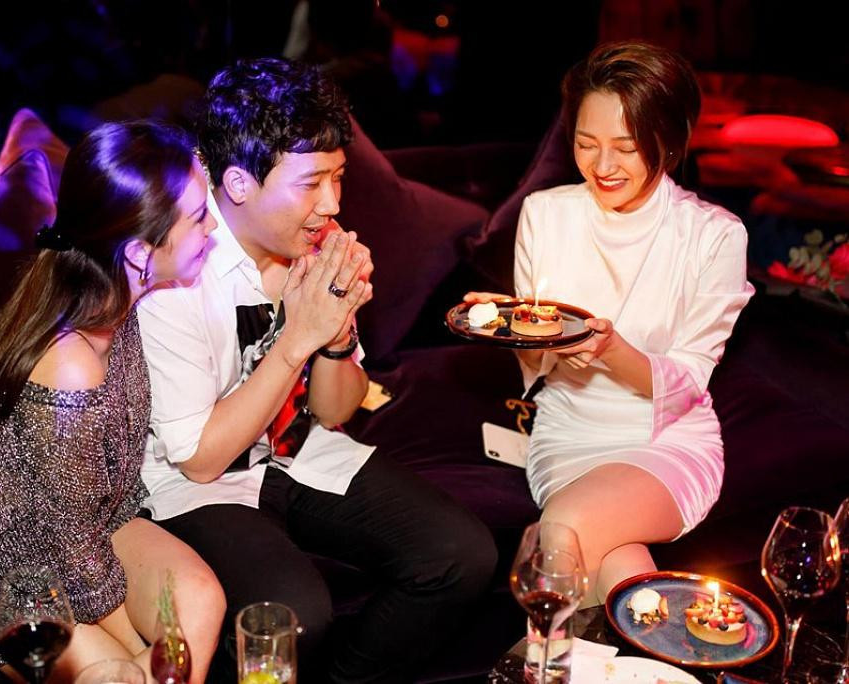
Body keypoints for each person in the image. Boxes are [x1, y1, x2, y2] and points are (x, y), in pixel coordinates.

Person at [137, 57, 497, 683]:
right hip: (195, 483)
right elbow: (199, 460)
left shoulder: (315, 245)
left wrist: (335, 333)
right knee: (292, 617)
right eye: (311, 183)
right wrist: (296, 338)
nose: (331, 204)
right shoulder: (177, 266)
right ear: (239, 183)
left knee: (460, 555)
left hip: (293, 452)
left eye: (338, 178)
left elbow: (334, 410)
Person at [0, 121, 226, 683]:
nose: (213, 225)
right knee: (126, 674)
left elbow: (82, 519)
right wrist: (136, 652)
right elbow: (66, 548)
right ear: (139, 251)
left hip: (93, 526)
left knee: (201, 603)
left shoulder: (111, 292)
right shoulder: (71, 364)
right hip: (6, 572)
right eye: (197, 217)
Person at [468, 41, 754, 604]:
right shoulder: (545, 214)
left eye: (625, 148)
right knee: (621, 570)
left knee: (565, 525)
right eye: (585, 143)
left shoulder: (714, 235)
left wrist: (609, 350)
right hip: (565, 434)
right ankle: (657, 650)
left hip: (665, 441)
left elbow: (687, 382)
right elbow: (535, 364)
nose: (601, 167)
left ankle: (543, 650)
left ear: (668, 142)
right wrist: (512, 327)